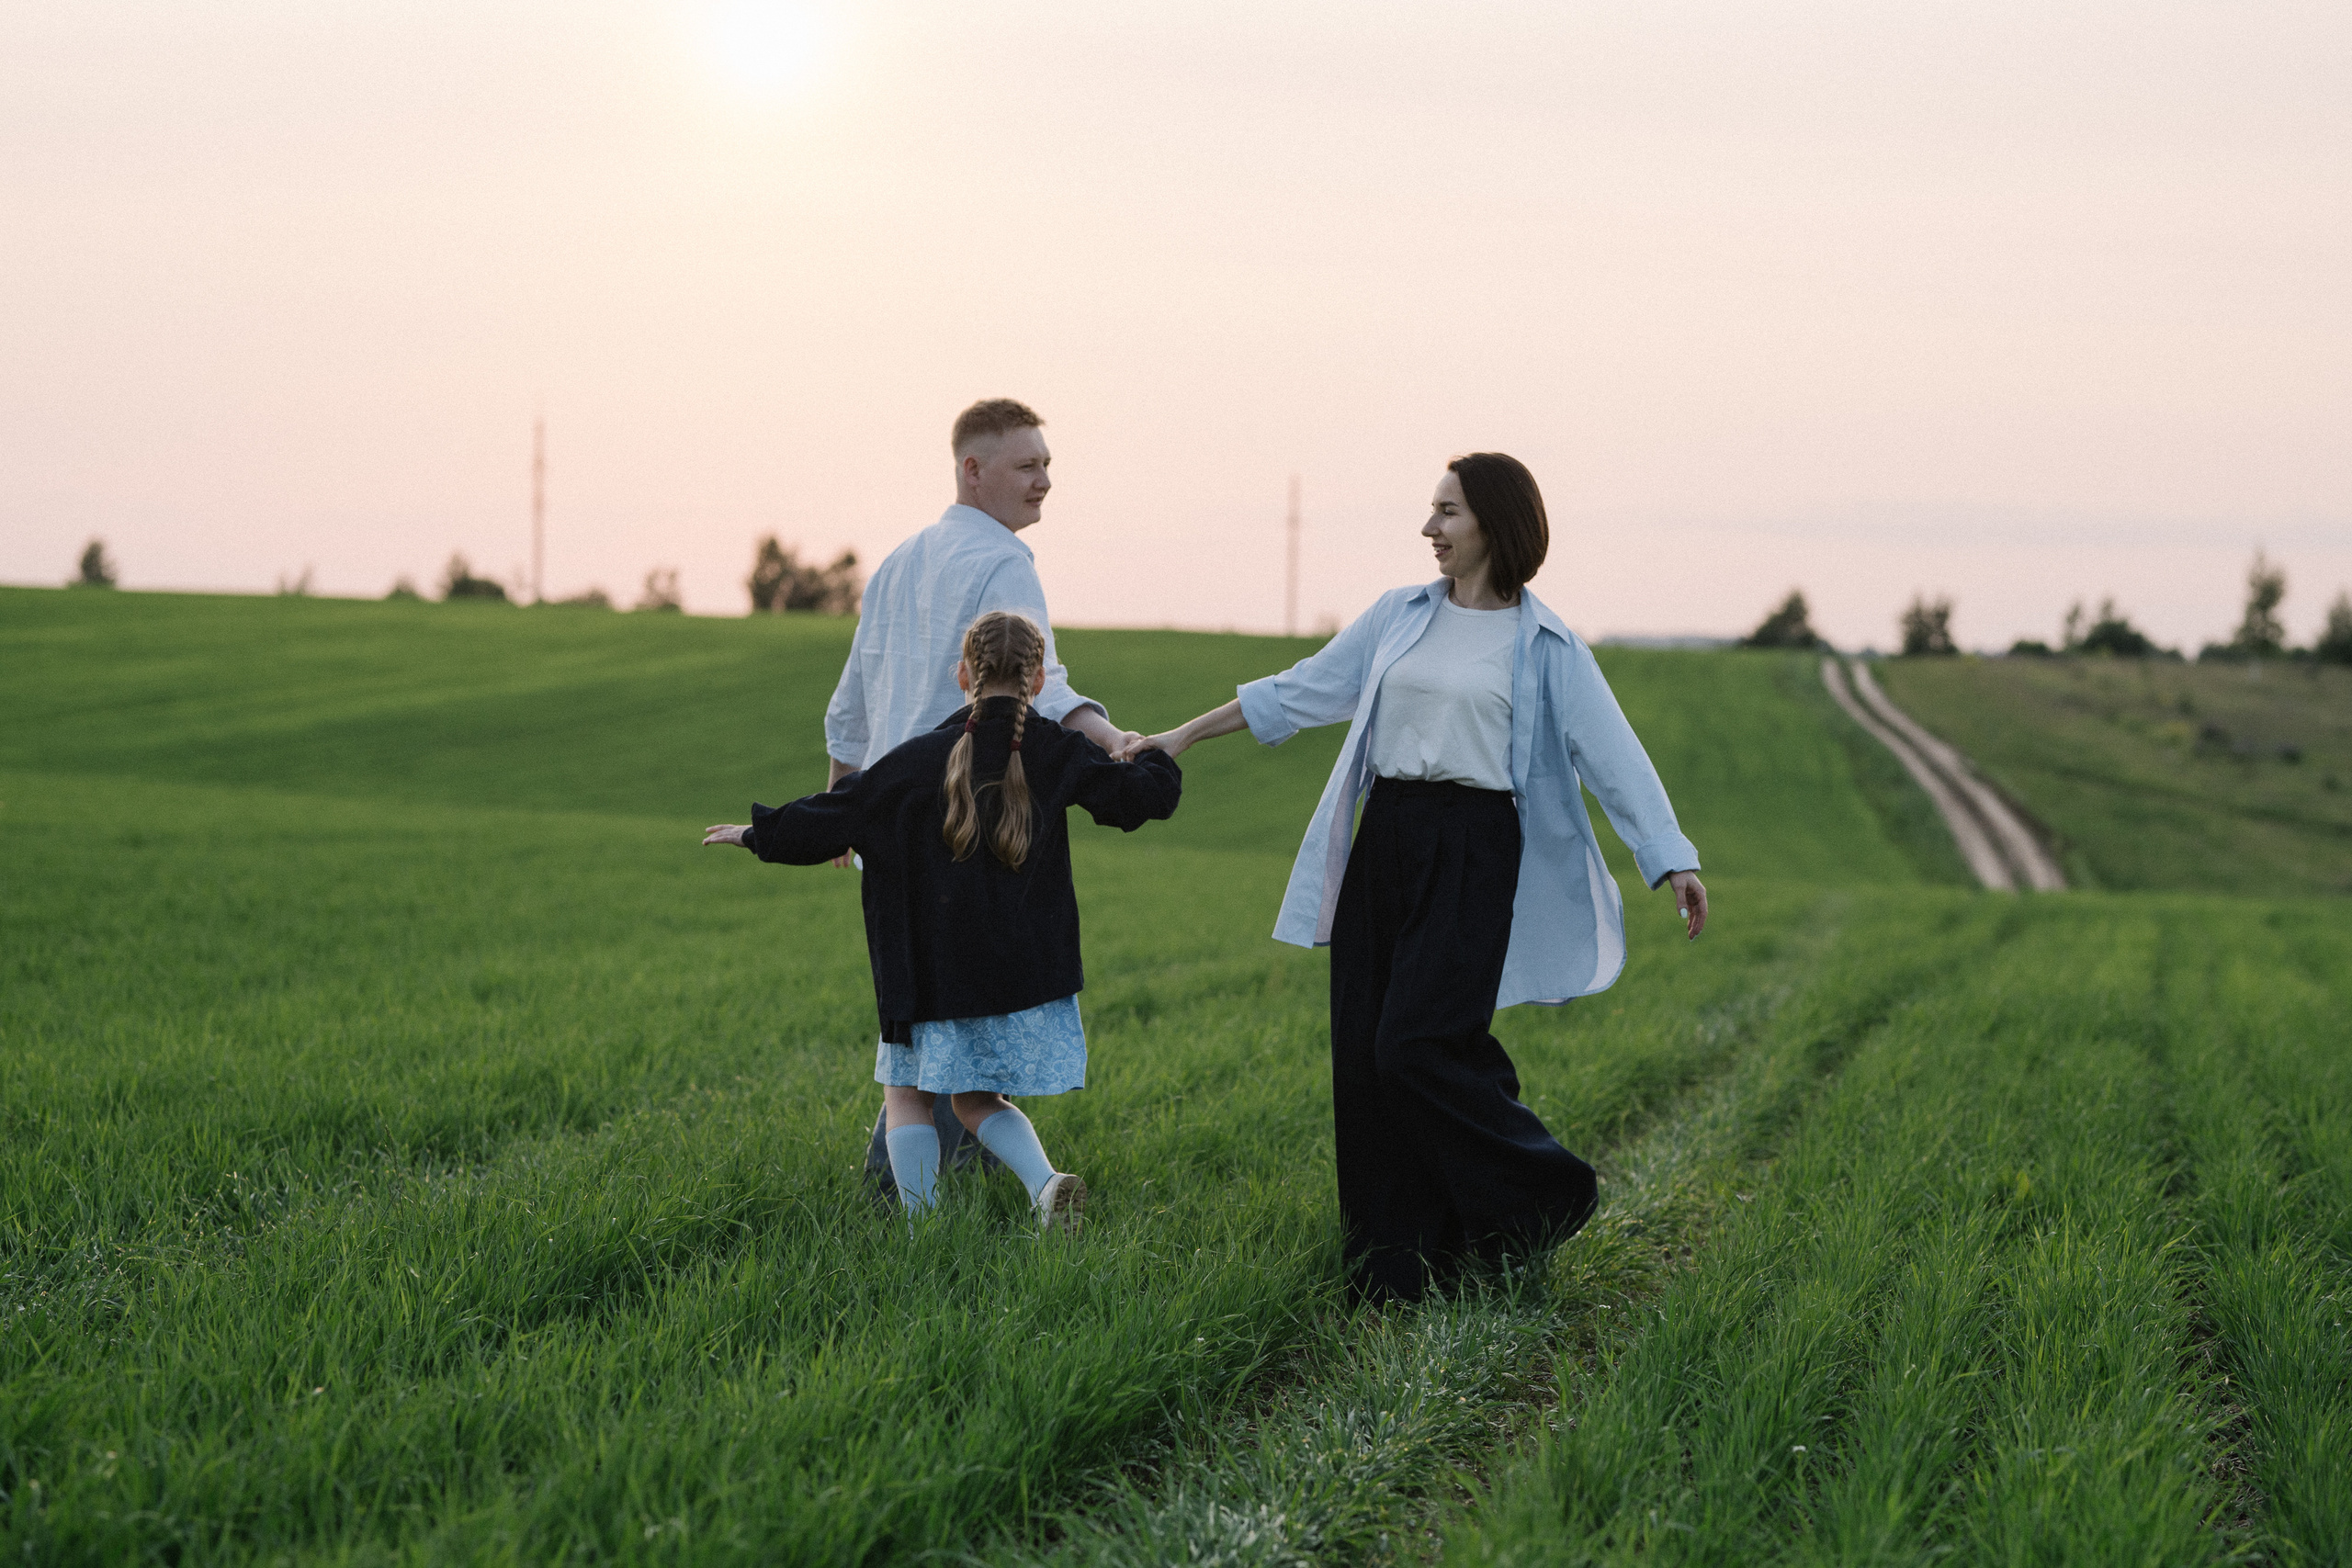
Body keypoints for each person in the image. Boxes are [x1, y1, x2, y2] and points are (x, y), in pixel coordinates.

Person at [1126, 452, 1707, 1303]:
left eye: (1448, 513)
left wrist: (1671, 855)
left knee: (1420, 1044)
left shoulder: (1546, 644)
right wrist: (1179, 736)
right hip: (1387, 835)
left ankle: (1546, 1192)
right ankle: (1395, 1264)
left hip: (1477, 847)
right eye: (1432, 511)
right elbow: (1300, 692)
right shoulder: (1399, 616)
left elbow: (1613, 754)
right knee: (1367, 1052)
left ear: (1496, 526)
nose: (1429, 528)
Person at [708, 612, 1181, 1229]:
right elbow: (1140, 798)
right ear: (1038, 681)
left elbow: (838, 811)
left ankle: (923, 1230)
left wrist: (757, 834)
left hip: (928, 970)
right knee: (978, 1098)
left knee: (908, 1095)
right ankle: (1045, 1185)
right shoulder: (1058, 751)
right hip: (1015, 972)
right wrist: (1152, 754)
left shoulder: (920, 757)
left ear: (963, 674)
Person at [824, 399, 1146, 1198]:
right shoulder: (1004, 563)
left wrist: (842, 805)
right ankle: (943, 1207)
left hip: (891, 829)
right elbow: (1040, 684)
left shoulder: (898, 559)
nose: (1044, 481)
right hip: (964, 831)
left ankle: (905, 1210)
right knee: (956, 1032)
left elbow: (852, 700)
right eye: (1026, 465)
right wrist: (1117, 742)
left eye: (1046, 464)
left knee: (916, 1026)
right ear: (973, 469)